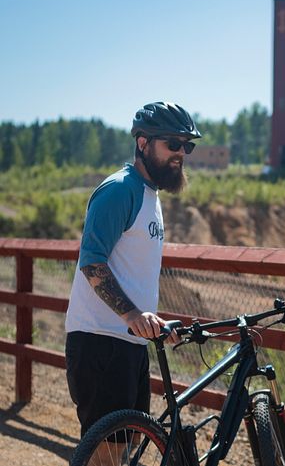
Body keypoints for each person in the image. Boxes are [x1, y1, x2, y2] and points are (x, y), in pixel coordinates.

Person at [65, 102, 200, 462]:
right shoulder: (119, 190)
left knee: (121, 453)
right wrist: (132, 316)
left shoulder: (149, 194)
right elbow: (92, 263)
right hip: (101, 343)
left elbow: (132, 272)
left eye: (187, 146)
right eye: (173, 143)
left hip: (128, 344)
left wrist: (151, 322)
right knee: (106, 458)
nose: (181, 153)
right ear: (143, 143)